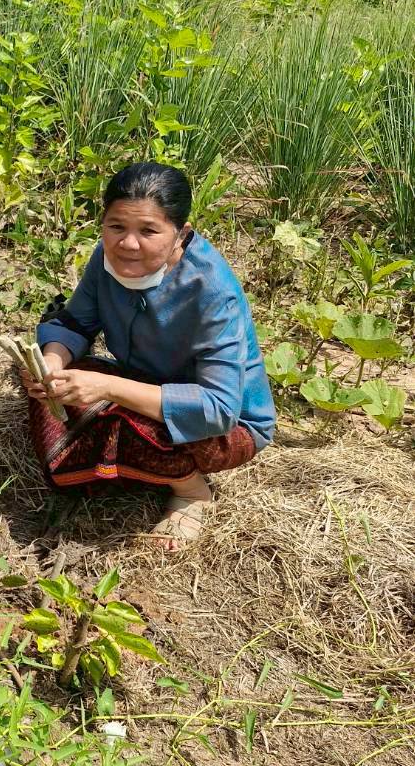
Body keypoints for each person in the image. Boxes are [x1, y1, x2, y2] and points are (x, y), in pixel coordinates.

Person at [26, 161, 276, 550]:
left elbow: (219, 408)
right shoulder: (107, 259)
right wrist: (52, 364)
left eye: (148, 231)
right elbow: (75, 323)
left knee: (125, 423)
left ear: (181, 234)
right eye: (116, 227)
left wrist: (108, 387)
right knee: (51, 385)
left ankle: (192, 492)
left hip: (224, 425)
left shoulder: (211, 292)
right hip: (145, 383)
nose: (128, 244)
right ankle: (121, 467)